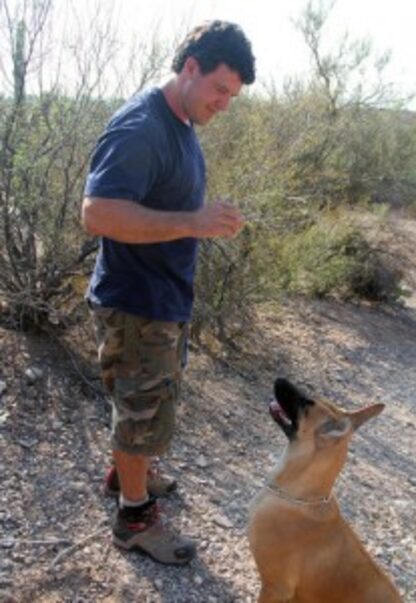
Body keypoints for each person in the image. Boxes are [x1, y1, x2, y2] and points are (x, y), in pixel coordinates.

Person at [81, 20, 255, 565]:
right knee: (138, 412)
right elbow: (98, 213)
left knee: (148, 406)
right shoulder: (142, 126)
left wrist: (200, 219)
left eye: (234, 95)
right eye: (220, 89)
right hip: (136, 302)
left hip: (160, 301)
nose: (224, 103)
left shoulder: (180, 121)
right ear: (190, 68)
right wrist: (194, 221)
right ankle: (133, 518)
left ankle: (127, 475)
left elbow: (165, 205)